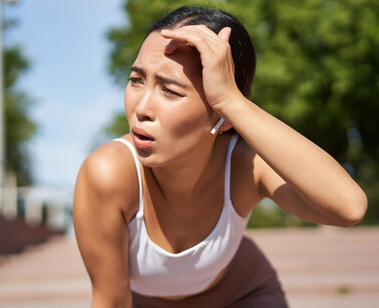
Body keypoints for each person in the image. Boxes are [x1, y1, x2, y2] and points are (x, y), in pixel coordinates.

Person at [73, 5, 367, 308]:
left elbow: (349, 207)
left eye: (170, 90)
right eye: (136, 80)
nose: (142, 108)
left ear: (221, 112)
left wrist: (232, 102)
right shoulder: (109, 174)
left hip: (244, 294)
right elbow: (112, 301)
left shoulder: (246, 166)